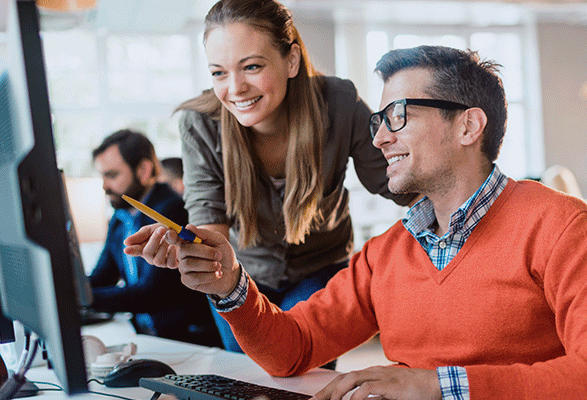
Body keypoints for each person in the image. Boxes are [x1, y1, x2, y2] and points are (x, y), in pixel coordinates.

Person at [128, 45, 587, 399]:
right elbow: (293, 349)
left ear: (468, 126)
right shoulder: (388, 252)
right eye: (379, 121)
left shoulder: (560, 224)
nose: (380, 138)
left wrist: (441, 387)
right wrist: (229, 286)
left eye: (398, 116)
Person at [165, 0, 416, 353]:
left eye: (251, 66)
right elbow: (209, 222)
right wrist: (188, 250)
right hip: (240, 275)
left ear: (292, 60)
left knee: (305, 371)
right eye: (219, 73)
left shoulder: (338, 104)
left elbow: (399, 183)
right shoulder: (200, 124)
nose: (235, 88)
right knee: (249, 377)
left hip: (320, 267)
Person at [88, 129, 220, 347]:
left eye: (111, 175)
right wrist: (68, 289)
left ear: (143, 170)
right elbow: (103, 276)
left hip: (184, 341)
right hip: (146, 336)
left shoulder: (171, 210)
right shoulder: (120, 217)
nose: (104, 186)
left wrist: (83, 299)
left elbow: (151, 294)